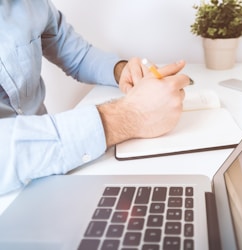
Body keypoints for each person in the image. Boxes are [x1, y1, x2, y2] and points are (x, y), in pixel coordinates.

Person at [0, 0, 190, 195]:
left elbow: (77, 55)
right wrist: (128, 116)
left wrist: (121, 70)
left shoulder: (32, 4)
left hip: (53, 174)